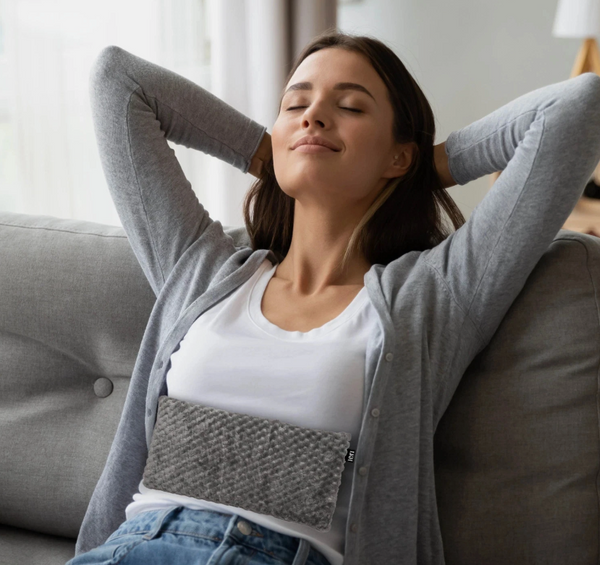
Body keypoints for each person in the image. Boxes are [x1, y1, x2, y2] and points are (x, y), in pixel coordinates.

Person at [67, 30, 600, 565]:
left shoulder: (432, 296)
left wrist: (425, 170)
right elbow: (119, 80)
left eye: (348, 107)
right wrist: (268, 151)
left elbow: (577, 107)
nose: (314, 115)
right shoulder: (201, 272)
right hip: (130, 548)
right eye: (296, 104)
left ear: (398, 155)